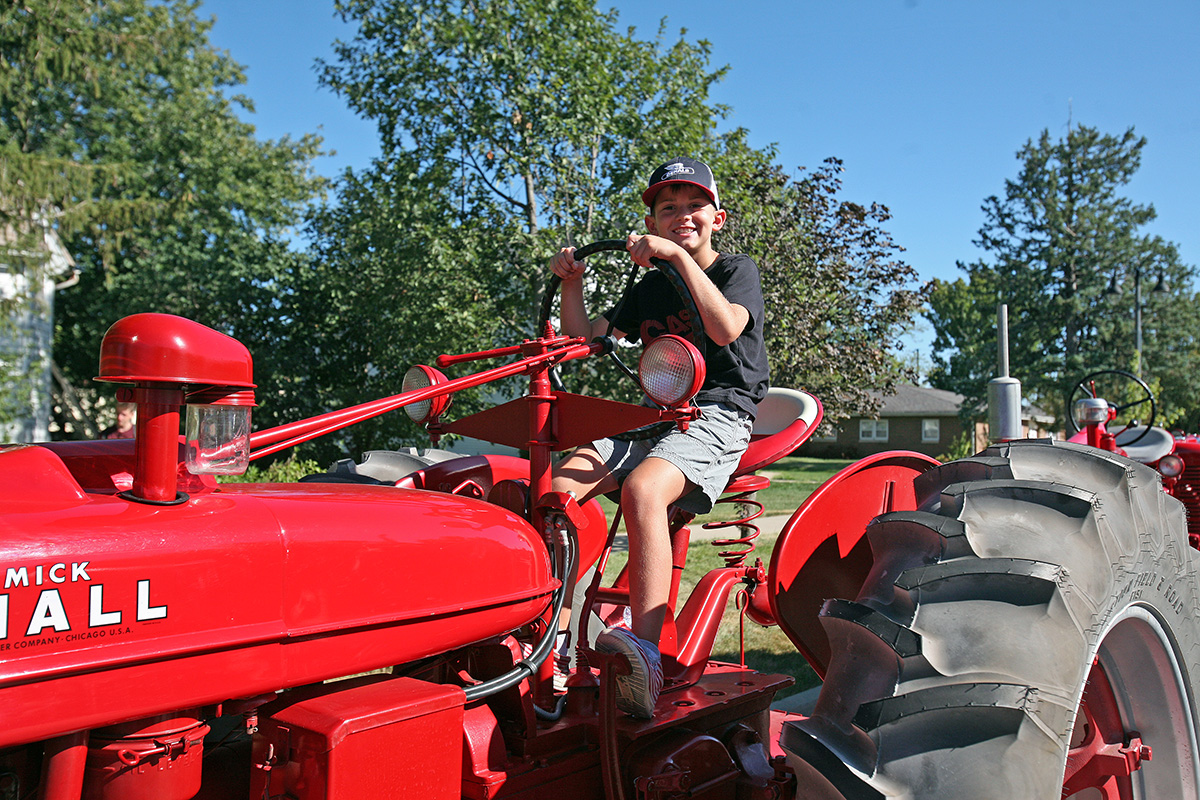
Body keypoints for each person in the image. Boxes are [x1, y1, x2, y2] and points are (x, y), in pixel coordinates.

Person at [548, 157, 769, 718]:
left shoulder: (734, 271)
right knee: (557, 487)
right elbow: (585, 337)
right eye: (667, 208)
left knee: (643, 491)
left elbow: (724, 327)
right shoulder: (648, 288)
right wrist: (570, 283)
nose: (681, 216)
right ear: (651, 218)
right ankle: (550, 627)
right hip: (655, 415)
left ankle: (645, 653)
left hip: (719, 413)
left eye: (694, 206)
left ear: (717, 217)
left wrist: (675, 259)